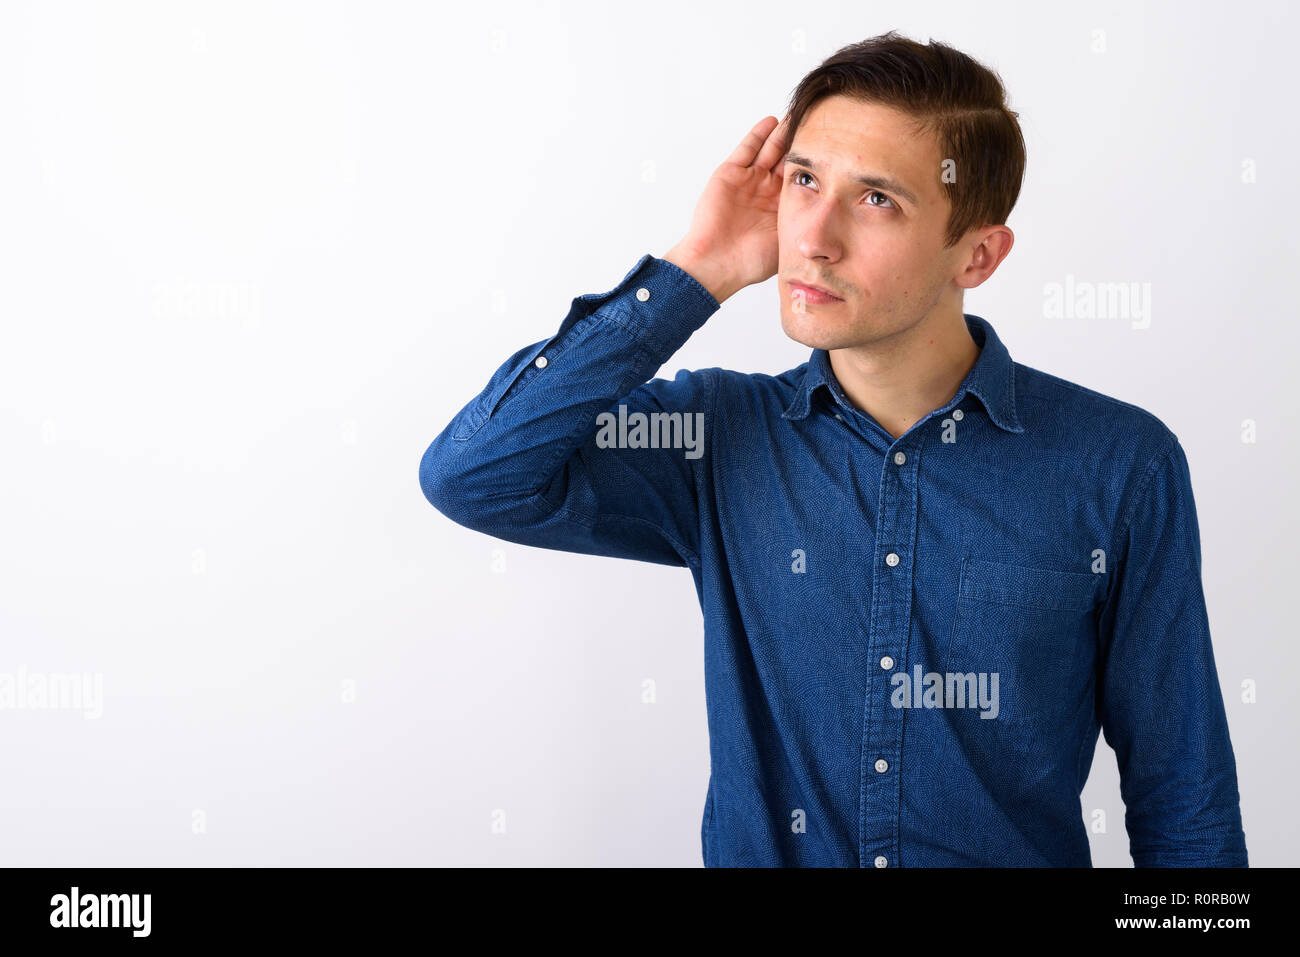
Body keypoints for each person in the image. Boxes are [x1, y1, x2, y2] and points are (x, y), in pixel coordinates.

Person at [419, 31, 1248, 867]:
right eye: (804, 180)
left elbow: (1185, 795)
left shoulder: (1120, 465)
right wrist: (696, 270)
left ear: (980, 254)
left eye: (877, 199)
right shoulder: (714, 436)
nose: (812, 237)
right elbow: (475, 474)